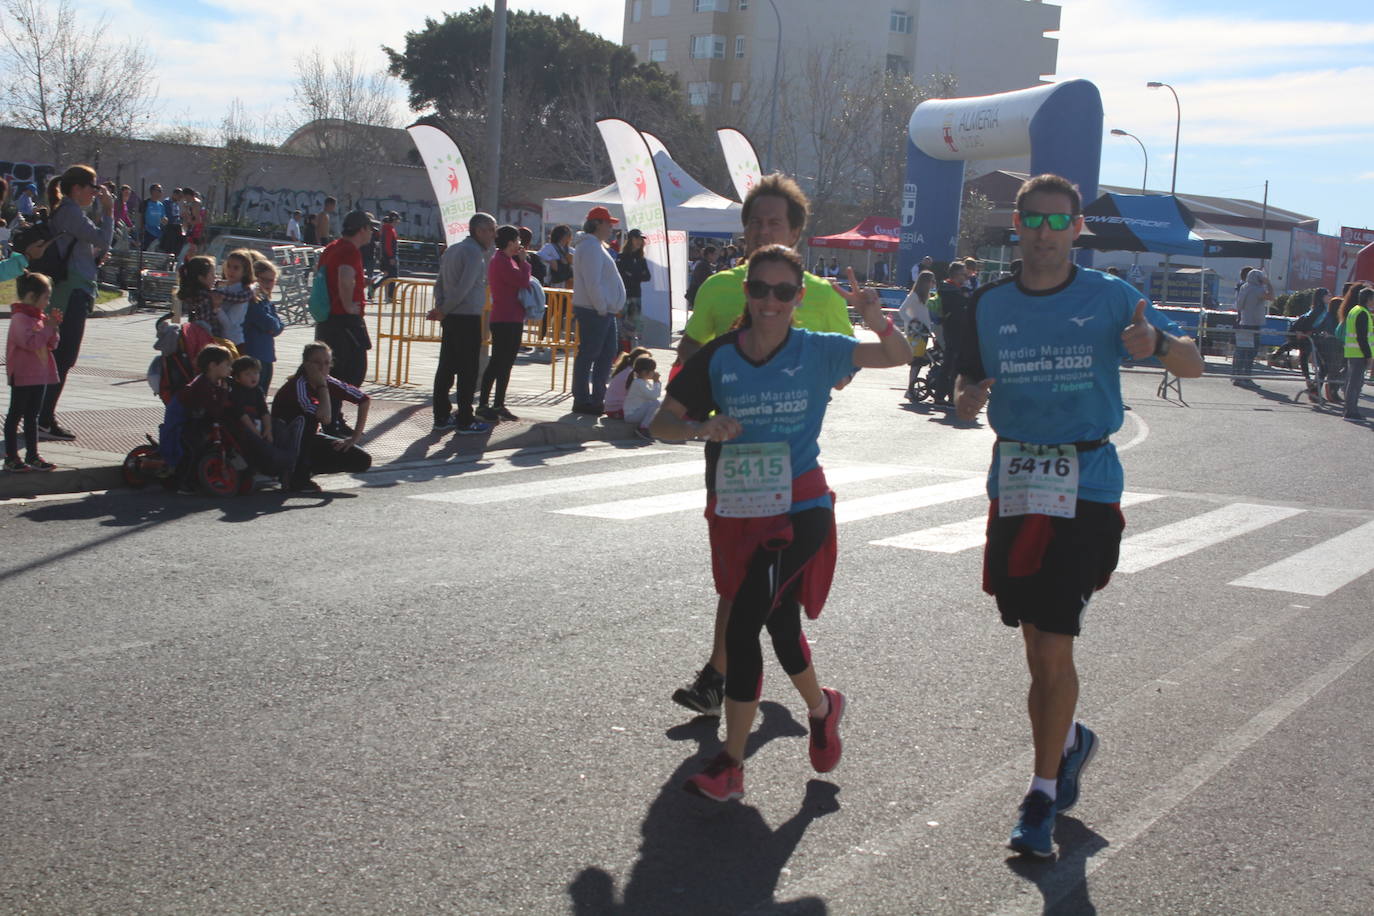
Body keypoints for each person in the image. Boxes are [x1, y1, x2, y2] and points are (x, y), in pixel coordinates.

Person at [953, 173, 1203, 858]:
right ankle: (1070, 741)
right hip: (1015, 481)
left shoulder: (1114, 297)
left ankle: (1039, 795)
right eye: (1033, 220)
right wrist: (966, 399)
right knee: (1034, 642)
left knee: (1054, 644)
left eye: (1058, 221)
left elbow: (1194, 359)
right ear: (1016, 221)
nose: (1044, 232)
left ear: (1078, 228)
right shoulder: (987, 303)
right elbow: (965, 383)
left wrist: (1160, 349)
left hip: (1086, 484)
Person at [650, 245, 912, 801]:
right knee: (779, 625)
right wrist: (703, 428)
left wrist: (873, 315)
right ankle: (823, 708)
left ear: (798, 299)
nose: (771, 302)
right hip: (741, 511)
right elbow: (661, 423)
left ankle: (731, 763)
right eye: (761, 289)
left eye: (784, 292)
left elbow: (896, 355)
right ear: (747, 293)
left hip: (800, 509)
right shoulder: (720, 358)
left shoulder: (820, 351)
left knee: (744, 625)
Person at [669, 172, 857, 717]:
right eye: (753, 222)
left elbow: (842, 374)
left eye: (773, 222)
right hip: (728, 451)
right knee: (739, 570)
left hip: (789, 460)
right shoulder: (719, 286)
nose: (760, 230)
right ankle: (776, 681)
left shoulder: (818, 297)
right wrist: (699, 415)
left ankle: (720, 675)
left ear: (796, 232)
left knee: (760, 582)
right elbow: (691, 353)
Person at [36, 165, 113, 442]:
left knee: (61, 356)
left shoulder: (68, 212)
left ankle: (42, 416)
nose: (96, 192)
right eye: (92, 187)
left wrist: (91, 258)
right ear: (77, 188)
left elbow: (82, 248)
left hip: (72, 288)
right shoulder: (70, 212)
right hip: (71, 292)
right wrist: (109, 211)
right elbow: (104, 238)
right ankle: (43, 419)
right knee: (64, 356)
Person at [271, 341, 372, 492]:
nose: (322, 368)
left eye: (327, 363)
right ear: (306, 364)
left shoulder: (327, 380)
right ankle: (296, 476)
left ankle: (308, 469)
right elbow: (325, 418)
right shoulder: (298, 386)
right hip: (286, 441)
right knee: (306, 423)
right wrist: (322, 387)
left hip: (310, 439)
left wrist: (354, 438)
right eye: (317, 363)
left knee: (361, 460)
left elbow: (364, 400)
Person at [429, 213, 496, 434]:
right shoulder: (473, 253)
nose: (494, 235)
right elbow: (464, 287)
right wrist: (444, 310)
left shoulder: (453, 250)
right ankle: (465, 419)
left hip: (451, 317)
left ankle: (441, 416)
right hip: (466, 317)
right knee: (468, 370)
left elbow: (439, 284)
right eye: (491, 230)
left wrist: (442, 308)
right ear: (479, 231)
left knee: (446, 367)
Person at [315, 210, 378, 433]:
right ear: (362, 229)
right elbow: (344, 276)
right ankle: (332, 421)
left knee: (332, 370)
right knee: (351, 370)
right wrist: (349, 303)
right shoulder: (350, 251)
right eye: (371, 229)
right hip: (344, 320)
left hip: (328, 319)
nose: (372, 233)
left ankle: (333, 418)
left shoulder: (332, 247)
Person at [570, 206, 626, 415]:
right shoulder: (591, 247)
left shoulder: (594, 246)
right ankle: (583, 399)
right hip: (594, 310)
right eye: (608, 223)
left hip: (601, 310)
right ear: (597, 224)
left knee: (606, 354)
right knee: (590, 354)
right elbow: (592, 282)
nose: (611, 227)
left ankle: (596, 399)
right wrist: (602, 307)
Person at [5, 272, 61, 472]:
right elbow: (30, 343)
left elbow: (51, 344)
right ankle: (11, 457)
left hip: (39, 375)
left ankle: (33, 455)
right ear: (31, 296)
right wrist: (47, 329)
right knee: (16, 415)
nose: (48, 302)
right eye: (45, 297)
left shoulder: (40, 317)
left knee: (32, 417)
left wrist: (53, 328)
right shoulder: (20, 318)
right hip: (22, 375)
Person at [478, 225, 531, 422]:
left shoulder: (508, 260)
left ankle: (499, 403)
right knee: (497, 361)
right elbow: (521, 281)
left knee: (506, 363)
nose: (520, 245)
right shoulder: (500, 260)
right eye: (517, 240)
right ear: (510, 242)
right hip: (504, 318)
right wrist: (524, 264)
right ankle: (484, 404)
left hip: (513, 317)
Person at [243, 257, 285, 394]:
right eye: (264, 279)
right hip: (254, 354)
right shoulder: (252, 301)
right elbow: (271, 323)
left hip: (267, 355)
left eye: (271, 280)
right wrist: (274, 326)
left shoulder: (267, 302)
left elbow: (279, 326)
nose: (268, 284)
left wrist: (275, 326)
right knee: (254, 394)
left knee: (263, 392)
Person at [1230, 267, 1271, 385]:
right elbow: (1271, 297)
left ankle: (1237, 375)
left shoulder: (1243, 287)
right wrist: (1268, 283)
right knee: (1250, 352)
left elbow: (1238, 305)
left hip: (1242, 321)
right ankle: (1245, 376)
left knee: (1241, 350)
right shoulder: (1258, 289)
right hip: (1253, 324)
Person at [212, 249, 257, 347]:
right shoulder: (225, 288)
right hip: (219, 340)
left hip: (233, 342)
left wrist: (217, 307)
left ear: (245, 271)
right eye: (228, 266)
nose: (230, 271)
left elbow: (229, 325)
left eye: (236, 268)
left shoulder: (242, 292)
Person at [1341, 288, 1373, 421]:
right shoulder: (1363, 313)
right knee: (1355, 383)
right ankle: (1351, 412)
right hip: (1359, 353)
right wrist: (1368, 355)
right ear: (1369, 299)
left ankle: (1350, 410)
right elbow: (1362, 337)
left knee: (1352, 382)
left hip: (1353, 351)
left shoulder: (1354, 311)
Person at [616, 228, 652, 349]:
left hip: (636, 296)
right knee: (621, 327)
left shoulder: (641, 259)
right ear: (630, 239)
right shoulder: (622, 257)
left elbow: (647, 276)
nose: (639, 242)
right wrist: (636, 275)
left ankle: (630, 351)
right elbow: (621, 274)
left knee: (634, 327)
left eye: (641, 239)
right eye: (637, 238)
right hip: (623, 296)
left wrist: (633, 275)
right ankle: (620, 352)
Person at [1292, 288, 1328, 400]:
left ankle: (1313, 388)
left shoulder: (1321, 308)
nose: (1330, 296)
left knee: (1311, 363)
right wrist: (1309, 332)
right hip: (1309, 339)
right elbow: (1309, 322)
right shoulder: (1319, 309)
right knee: (1318, 364)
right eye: (1328, 294)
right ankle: (1312, 388)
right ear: (1322, 296)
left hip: (1310, 339)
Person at [603, 346, 652, 420]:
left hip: (610, 409)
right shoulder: (632, 374)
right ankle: (644, 427)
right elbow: (645, 394)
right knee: (653, 406)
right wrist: (656, 382)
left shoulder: (625, 369)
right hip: (618, 410)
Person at [173, 256, 220, 327]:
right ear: (201, 278)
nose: (215, 277)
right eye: (212, 274)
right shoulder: (204, 295)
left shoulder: (192, 292)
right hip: (205, 332)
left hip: (194, 331)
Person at [622, 355, 661, 439]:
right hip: (631, 415)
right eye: (652, 370)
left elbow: (653, 395)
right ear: (644, 372)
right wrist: (656, 382)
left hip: (637, 412)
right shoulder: (639, 383)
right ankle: (643, 428)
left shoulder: (643, 382)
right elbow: (654, 396)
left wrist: (656, 383)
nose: (654, 373)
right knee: (656, 403)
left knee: (659, 403)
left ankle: (650, 425)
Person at [379, 211, 400, 302]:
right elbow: (387, 245)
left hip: (389, 256)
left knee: (388, 276)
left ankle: (389, 296)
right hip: (390, 257)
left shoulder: (389, 229)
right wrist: (391, 257)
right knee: (392, 277)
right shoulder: (389, 230)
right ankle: (390, 296)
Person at [142, 184, 167, 251]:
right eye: (159, 190)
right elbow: (139, 217)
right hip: (147, 232)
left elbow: (163, 218)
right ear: (152, 191)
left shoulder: (161, 205)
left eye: (161, 191)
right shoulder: (145, 203)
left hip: (157, 233)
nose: (161, 192)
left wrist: (165, 220)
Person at [160, 188, 185, 255]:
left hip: (176, 225)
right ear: (174, 194)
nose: (180, 198)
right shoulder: (167, 202)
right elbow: (169, 215)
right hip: (169, 226)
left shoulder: (176, 204)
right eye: (179, 196)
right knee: (170, 242)